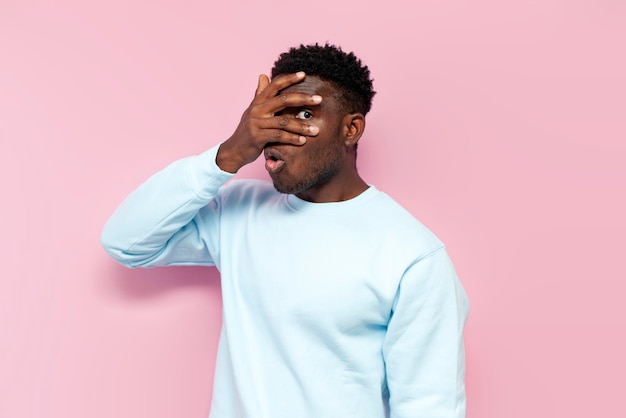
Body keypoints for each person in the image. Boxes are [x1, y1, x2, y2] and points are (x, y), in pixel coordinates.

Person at [101, 43, 469, 418]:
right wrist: (227, 155)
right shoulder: (239, 210)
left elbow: (428, 405)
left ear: (351, 128)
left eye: (304, 114)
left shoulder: (413, 256)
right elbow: (126, 242)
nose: (278, 132)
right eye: (274, 115)